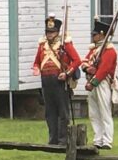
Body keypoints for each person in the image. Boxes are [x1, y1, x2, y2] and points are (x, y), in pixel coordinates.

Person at [31, 14, 81, 146]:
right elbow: (37, 62)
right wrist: (36, 68)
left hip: (59, 80)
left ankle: (63, 140)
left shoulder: (65, 44)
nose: (49, 34)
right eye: (48, 32)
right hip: (46, 80)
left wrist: (67, 73)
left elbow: (77, 60)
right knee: (50, 112)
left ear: (57, 32)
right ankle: (52, 139)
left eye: (52, 32)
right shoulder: (42, 45)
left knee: (62, 112)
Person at [81, 18, 118, 149]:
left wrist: (94, 82)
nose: (93, 36)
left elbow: (104, 69)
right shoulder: (95, 49)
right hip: (92, 81)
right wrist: (87, 68)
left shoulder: (109, 50)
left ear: (102, 34)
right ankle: (98, 138)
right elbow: (84, 61)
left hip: (102, 83)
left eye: (95, 34)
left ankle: (107, 140)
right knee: (94, 113)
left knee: (105, 112)